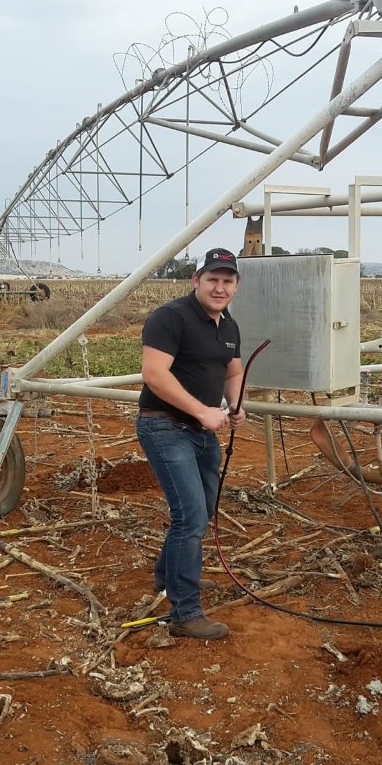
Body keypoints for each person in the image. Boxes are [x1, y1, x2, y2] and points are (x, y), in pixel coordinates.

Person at [136, 247, 246, 640]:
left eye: (227, 280)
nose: (220, 287)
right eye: (212, 279)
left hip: (202, 434)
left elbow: (233, 370)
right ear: (196, 280)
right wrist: (202, 410)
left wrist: (234, 404)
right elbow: (154, 374)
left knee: (201, 509)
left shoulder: (228, 326)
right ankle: (184, 611)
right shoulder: (171, 318)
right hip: (165, 428)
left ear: (235, 286)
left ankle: (168, 576)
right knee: (192, 517)